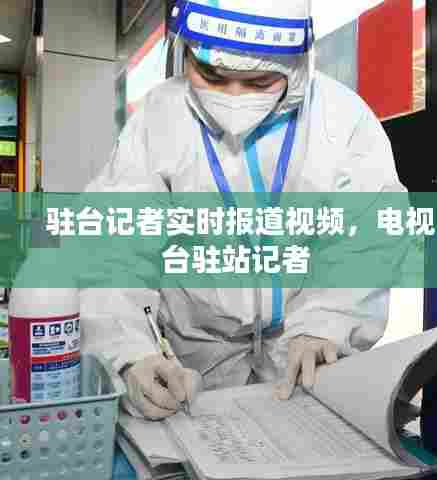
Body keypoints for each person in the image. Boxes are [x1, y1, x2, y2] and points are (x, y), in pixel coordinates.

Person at [36, 0, 410, 420]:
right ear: (186, 52)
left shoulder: (342, 121)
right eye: (211, 76)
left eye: (259, 81)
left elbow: (367, 237)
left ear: (297, 65)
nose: (233, 100)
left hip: (302, 354)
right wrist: (129, 353)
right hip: (189, 360)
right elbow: (113, 247)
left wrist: (328, 322)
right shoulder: (160, 118)